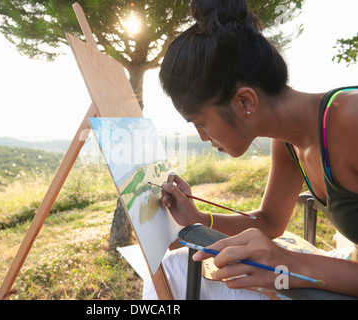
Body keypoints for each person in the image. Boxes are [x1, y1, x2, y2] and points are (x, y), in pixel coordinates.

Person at [144, 0, 358, 299]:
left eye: (201, 122)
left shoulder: (351, 120)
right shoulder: (288, 144)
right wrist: (199, 219)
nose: (203, 137)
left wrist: (290, 263)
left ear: (245, 101)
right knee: (177, 266)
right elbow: (270, 222)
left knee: (179, 273)